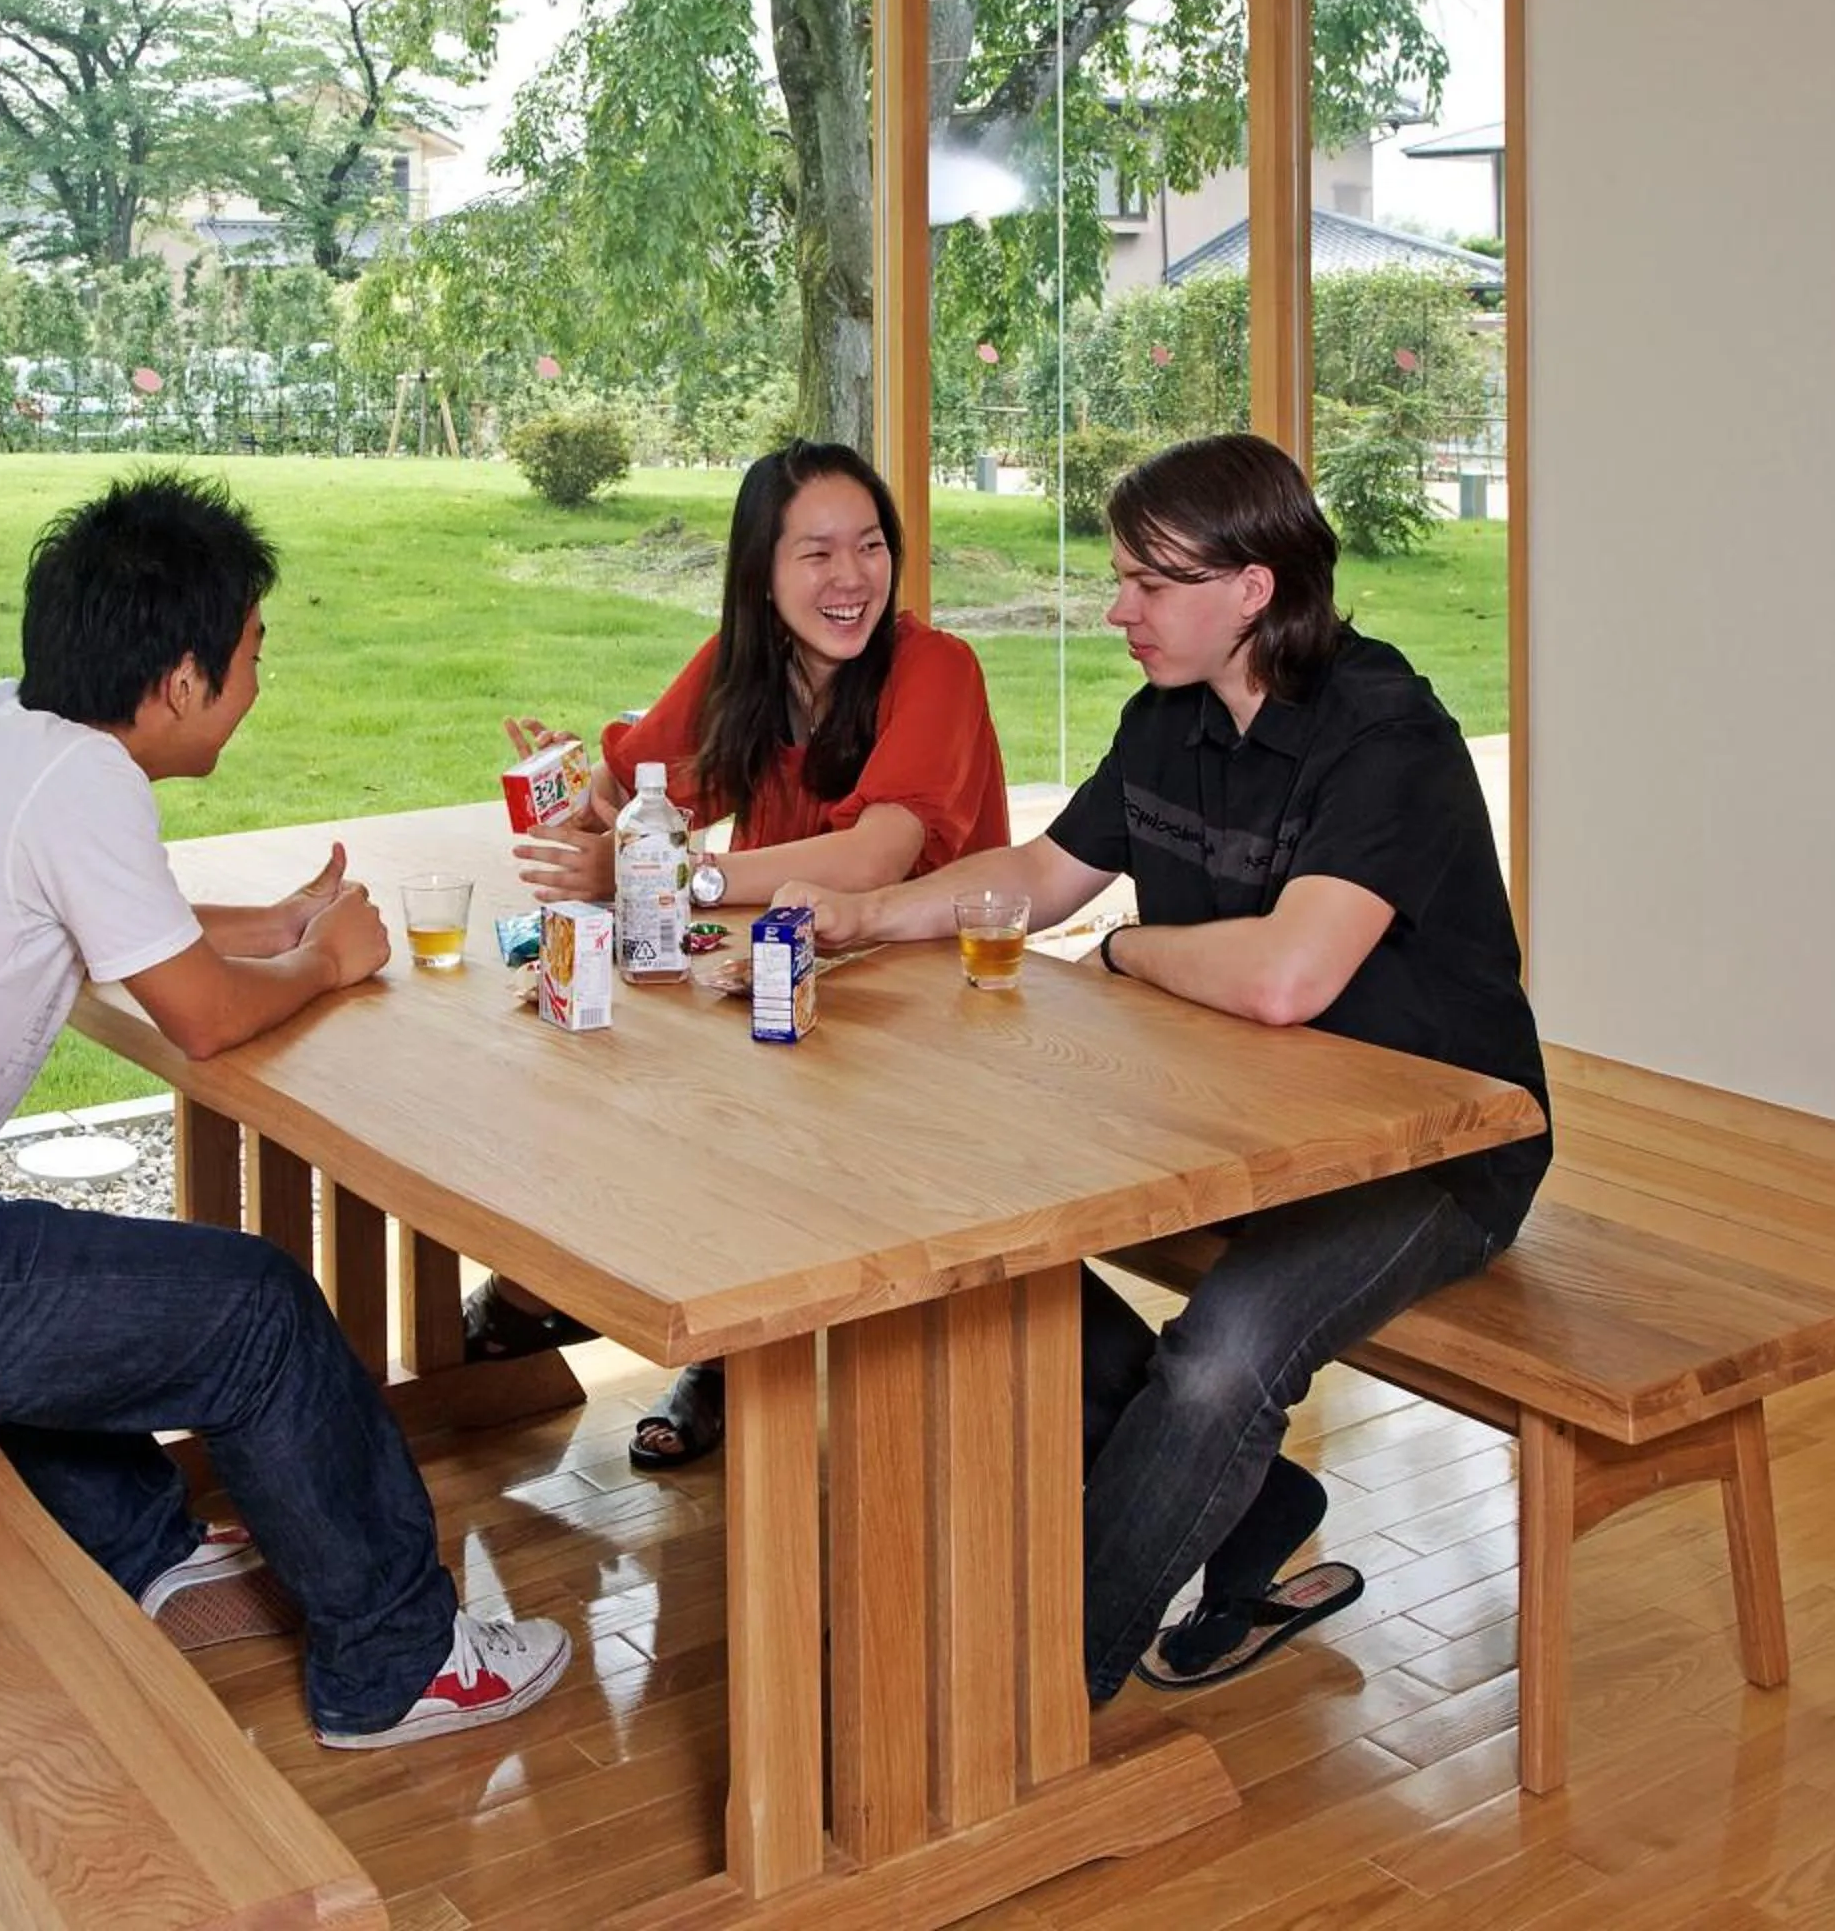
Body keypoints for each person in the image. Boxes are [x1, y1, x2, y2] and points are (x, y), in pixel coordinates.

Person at [0, 470, 571, 1751]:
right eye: (251, 654)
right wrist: (325, 961)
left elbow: (109, 913)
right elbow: (204, 1017)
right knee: (256, 1311)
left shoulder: (3, 730)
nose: (258, 679)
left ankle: (148, 1550)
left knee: (63, 1261)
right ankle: (400, 1664)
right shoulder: (84, 787)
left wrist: (276, 921)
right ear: (181, 681)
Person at [772, 432, 1549, 1699]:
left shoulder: (1384, 735)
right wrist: (866, 915)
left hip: (1439, 1152)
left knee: (1222, 1355)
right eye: (1120, 577)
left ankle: (1037, 1687)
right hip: (1246, 1124)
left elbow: (1287, 978)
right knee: (986, 1259)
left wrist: (1127, 948)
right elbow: (1040, 874)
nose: (1118, 608)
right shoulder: (1167, 718)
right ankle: (1254, 1505)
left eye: (1149, 580)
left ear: (1253, 589)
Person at [465, 439, 1012, 1468]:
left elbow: (875, 857)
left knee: (713, 1115)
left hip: (922, 1001)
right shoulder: (742, 666)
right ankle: (570, 1302)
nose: (851, 577)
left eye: (870, 546)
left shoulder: (935, 667)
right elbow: (632, 794)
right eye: (817, 553)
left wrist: (680, 875)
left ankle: (681, 1342)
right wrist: (575, 801)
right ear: (762, 571)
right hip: (777, 978)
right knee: (596, 1074)